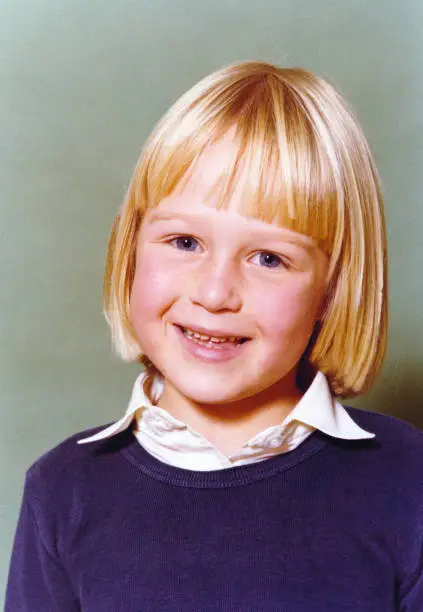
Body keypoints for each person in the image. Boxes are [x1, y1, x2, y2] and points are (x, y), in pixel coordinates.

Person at [5, 61, 423, 611]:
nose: (216, 292)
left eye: (269, 257)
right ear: (130, 250)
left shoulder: (408, 482)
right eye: (184, 242)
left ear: (332, 289)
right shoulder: (62, 490)